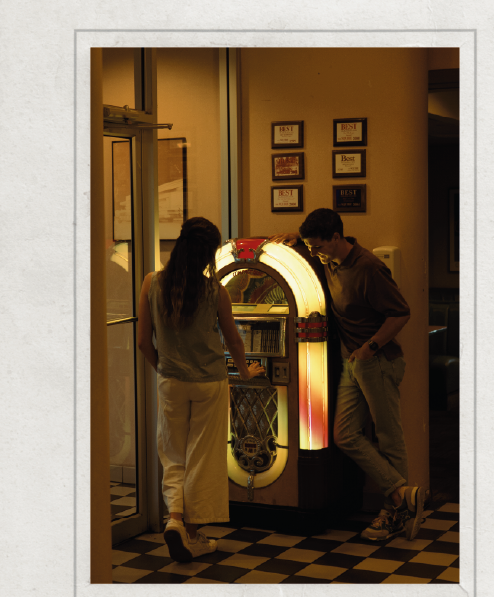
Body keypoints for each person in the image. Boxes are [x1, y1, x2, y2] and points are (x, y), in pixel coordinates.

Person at [270, 208, 424, 542]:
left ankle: (393, 513)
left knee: (388, 436)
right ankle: (403, 496)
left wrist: (370, 347)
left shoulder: (369, 268)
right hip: (351, 362)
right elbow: (310, 248)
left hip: (377, 361)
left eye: (318, 246)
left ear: (336, 237)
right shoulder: (328, 259)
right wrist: (295, 239)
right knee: (344, 434)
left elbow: (401, 313)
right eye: (310, 246)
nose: (313, 253)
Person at [137, 217, 264, 562]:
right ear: (209, 253)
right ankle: (191, 534)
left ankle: (174, 519)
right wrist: (245, 371)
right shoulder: (215, 291)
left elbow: (143, 342)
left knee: (173, 454)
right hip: (209, 382)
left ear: (180, 243)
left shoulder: (151, 283)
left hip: (171, 380)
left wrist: (165, 371)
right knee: (202, 458)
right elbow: (233, 339)